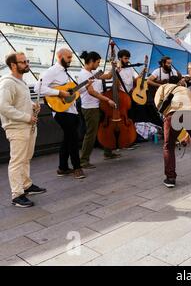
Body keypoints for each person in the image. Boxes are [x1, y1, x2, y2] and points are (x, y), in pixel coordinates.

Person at [0, 52, 47, 207]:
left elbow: (19, 102)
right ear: (13, 65)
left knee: (26, 158)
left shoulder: (21, 82)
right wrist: (27, 117)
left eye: (27, 61)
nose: (27, 63)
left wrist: (33, 105)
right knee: (17, 161)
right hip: (17, 128)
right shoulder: (7, 82)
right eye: (23, 62)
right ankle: (17, 195)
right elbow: (4, 107)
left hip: (28, 127)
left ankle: (26, 185)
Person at [37, 48, 86, 180]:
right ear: (60, 56)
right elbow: (38, 88)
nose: (71, 60)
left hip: (71, 110)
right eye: (69, 57)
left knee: (67, 139)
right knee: (73, 139)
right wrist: (59, 93)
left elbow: (72, 93)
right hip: (61, 111)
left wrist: (86, 86)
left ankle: (62, 168)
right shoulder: (52, 71)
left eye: (71, 57)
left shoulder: (65, 72)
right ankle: (77, 168)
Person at [154, 75, 191, 188]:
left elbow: (158, 104)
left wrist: (166, 117)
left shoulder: (163, 86)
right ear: (179, 82)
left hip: (175, 113)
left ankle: (170, 178)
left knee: (169, 146)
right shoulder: (185, 89)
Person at [78, 51, 118, 169]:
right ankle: (83, 161)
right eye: (97, 62)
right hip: (90, 108)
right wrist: (107, 100)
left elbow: (108, 76)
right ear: (91, 62)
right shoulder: (84, 74)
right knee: (91, 134)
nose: (98, 64)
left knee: (105, 129)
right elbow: (91, 92)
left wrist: (114, 67)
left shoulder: (93, 72)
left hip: (98, 106)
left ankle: (108, 152)